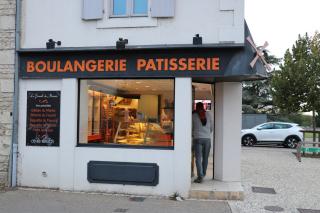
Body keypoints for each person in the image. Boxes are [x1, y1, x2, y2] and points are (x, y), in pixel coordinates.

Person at [192, 102, 213, 183]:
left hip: (197, 138)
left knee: (198, 158)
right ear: (203, 107)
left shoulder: (193, 116)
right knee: (205, 158)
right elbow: (211, 128)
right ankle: (203, 174)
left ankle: (200, 176)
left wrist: (194, 134)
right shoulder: (208, 115)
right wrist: (207, 133)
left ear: (196, 107)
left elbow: (191, 128)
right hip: (207, 139)